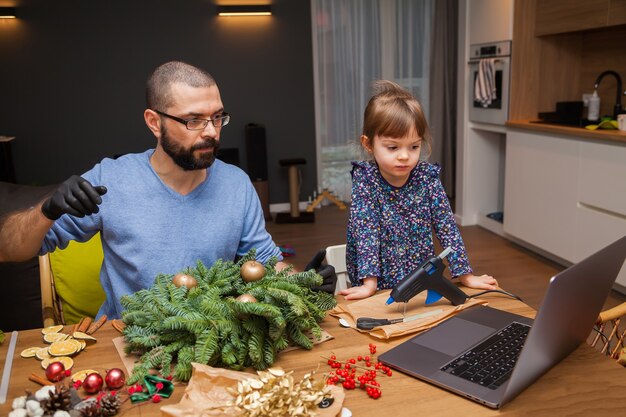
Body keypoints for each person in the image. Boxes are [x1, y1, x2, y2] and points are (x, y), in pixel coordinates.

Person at [0, 61, 334, 319]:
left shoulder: (236, 184)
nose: (211, 133)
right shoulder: (111, 180)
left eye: (217, 117)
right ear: (153, 122)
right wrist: (46, 209)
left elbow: (264, 262)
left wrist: (303, 282)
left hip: (213, 339)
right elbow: (11, 250)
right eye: (193, 120)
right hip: (129, 343)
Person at [340, 80, 497, 300]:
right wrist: (369, 284)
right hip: (378, 282)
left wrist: (465, 275)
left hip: (420, 280)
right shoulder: (366, 179)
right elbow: (367, 233)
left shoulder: (427, 177)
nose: (405, 155)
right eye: (393, 147)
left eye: (414, 146)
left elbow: (447, 227)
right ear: (368, 144)